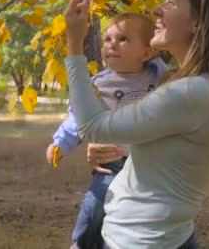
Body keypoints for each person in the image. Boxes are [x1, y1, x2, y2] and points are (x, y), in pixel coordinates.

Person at [63, 0, 209, 248]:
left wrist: (74, 42)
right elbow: (170, 157)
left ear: (197, 22)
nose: (156, 10)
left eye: (171, 3)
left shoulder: (187, 93)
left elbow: (91, 125)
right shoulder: (202, 88)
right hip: (168, 237)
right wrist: (118, 149)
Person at [45, 13, 168, 249]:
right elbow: (78, 118)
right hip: (110, 164)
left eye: (123, 39)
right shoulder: (98, 85)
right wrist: (60, 142)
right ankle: (81, 245)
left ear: (145, 53)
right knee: (94, 210)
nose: (111, 43)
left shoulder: (158, 76)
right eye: (107, 39)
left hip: (147, 167)